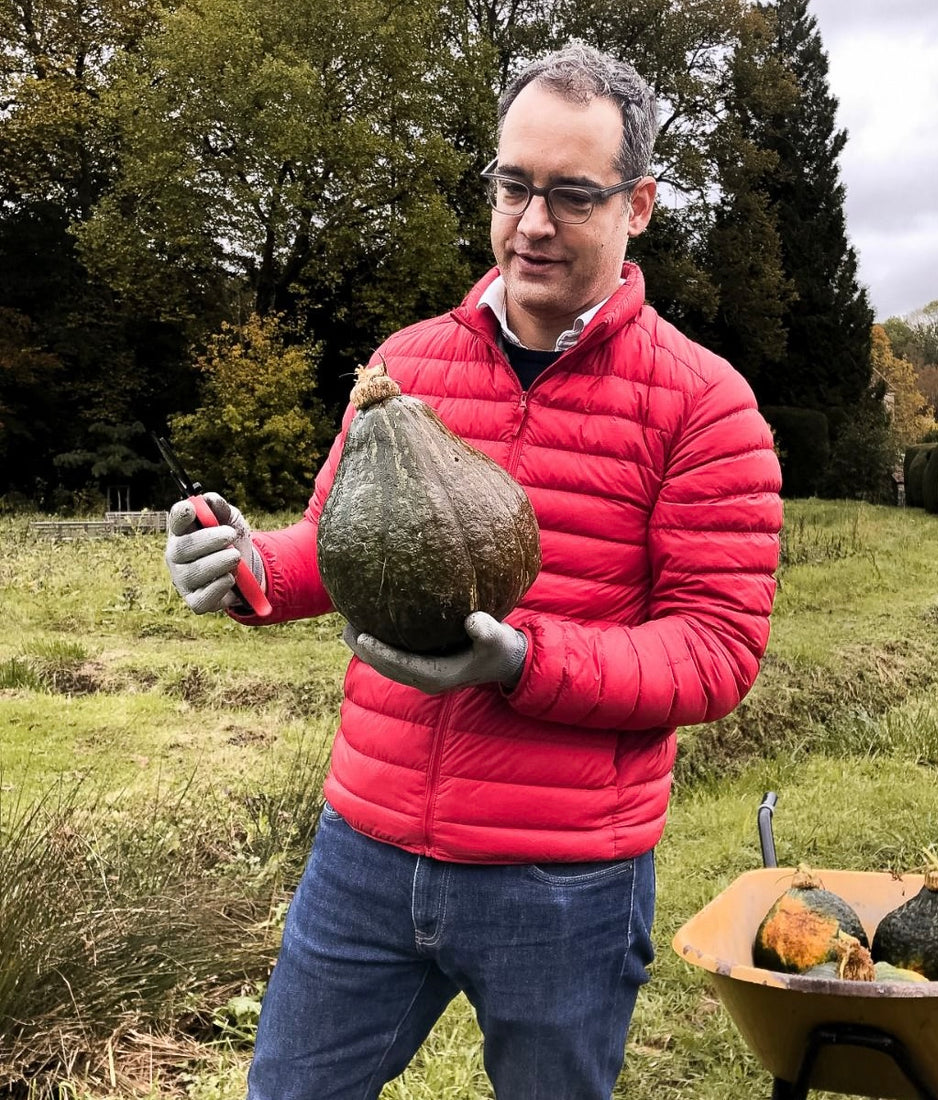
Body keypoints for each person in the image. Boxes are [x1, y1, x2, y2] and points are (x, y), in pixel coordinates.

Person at [164, 42, 782, 1100]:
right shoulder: (402, 364)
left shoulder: (704, 402)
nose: (530, 223)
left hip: (565, 878)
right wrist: (248, 564)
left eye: (570, 195)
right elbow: (336, 542)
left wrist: (523, 661)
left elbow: (715, 651)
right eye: (512, 185)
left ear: (637, 204)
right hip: (366, 843)